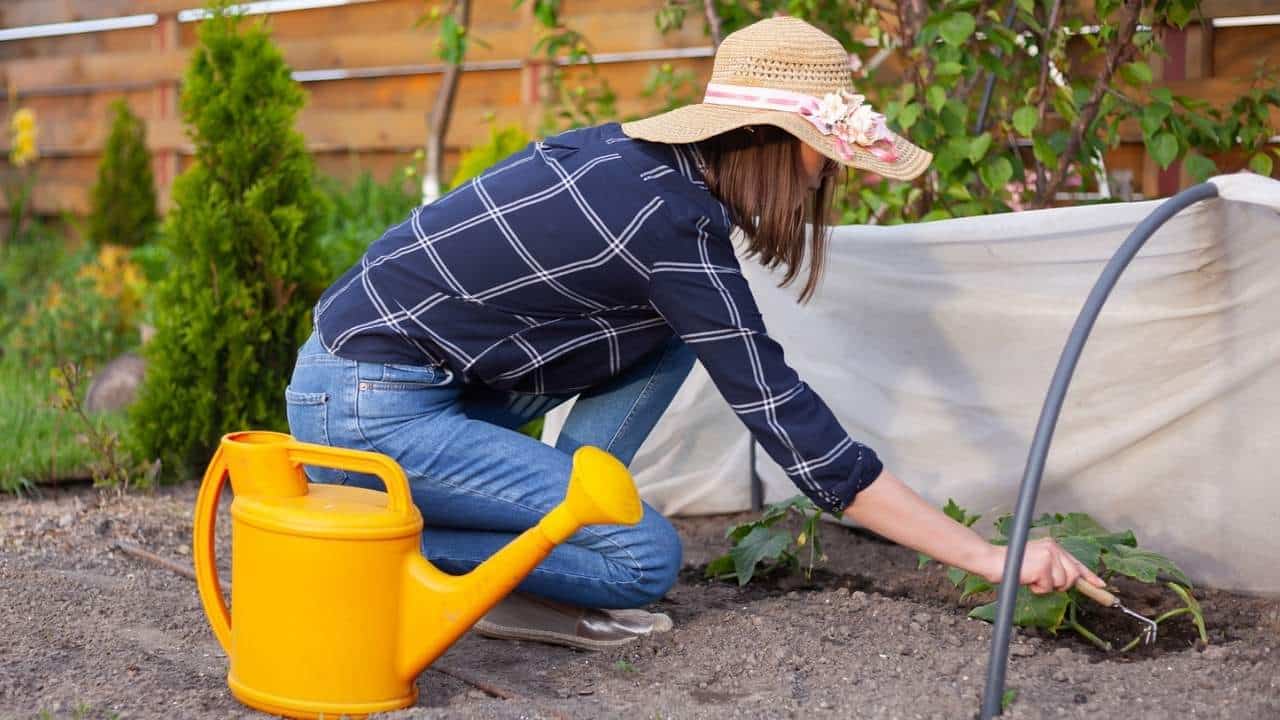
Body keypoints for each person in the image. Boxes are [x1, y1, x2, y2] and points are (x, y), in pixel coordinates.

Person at [286, 16, 1103, 650]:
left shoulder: (637, 165)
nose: (832, 174)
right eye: (825, 154)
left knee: (676, 333)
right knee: (640, 560)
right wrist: (993, 560)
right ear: (779, 145)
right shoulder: (668, 224)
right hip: (370, 410)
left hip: (392, 379)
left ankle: (538, 537)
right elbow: (791, 423)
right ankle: (400, 552)